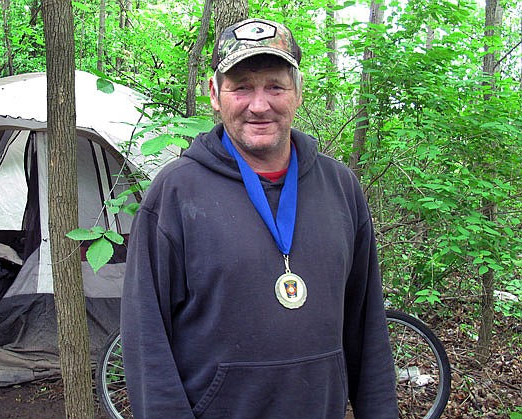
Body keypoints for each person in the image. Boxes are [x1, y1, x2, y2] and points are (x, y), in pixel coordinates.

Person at [120, 18, 398, 419]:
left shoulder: (341, 187)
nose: (259, 104)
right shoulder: (176, 193)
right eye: (242, 86)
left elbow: (366, 326)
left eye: (275, 86)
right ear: (215, 94)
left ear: (298, 92)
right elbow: (147, 341)